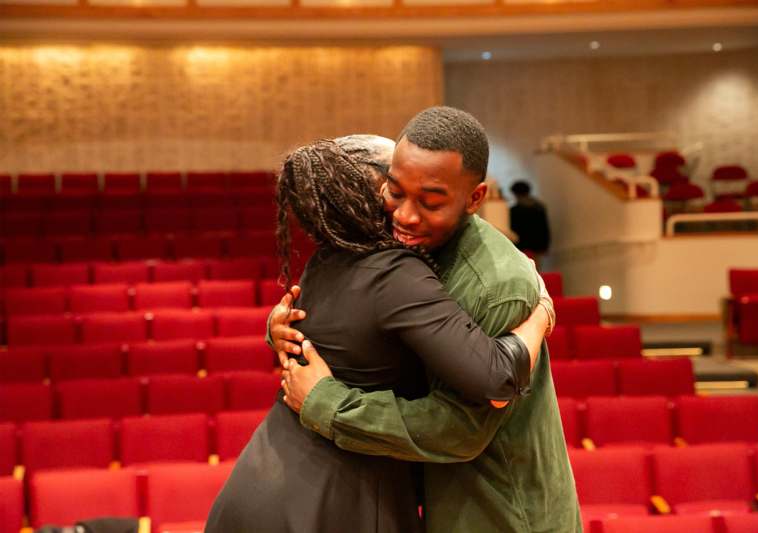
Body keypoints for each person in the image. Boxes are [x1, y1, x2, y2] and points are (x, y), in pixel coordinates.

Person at [205, 138, 549, 533]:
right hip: (334, 498)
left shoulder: (327, 258)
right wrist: (542, 311)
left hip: (263, 479)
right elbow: (497, 378)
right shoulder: (394, 272)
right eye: (397, 185)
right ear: (371, 193)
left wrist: (273, 330)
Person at [276, 107, 581, 533]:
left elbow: (461, 429)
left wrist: (326, 404)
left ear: (476, 199)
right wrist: (284, 332)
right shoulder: (405, 248)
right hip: (443, 504)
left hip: (501, 517)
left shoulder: (496, 285)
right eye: (395, 192)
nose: (404, 215)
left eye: (430, 202)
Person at [510, 180, 552, 256]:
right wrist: (545, 246)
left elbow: (513, 230)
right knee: (536, 267)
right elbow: (544, 228)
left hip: (522, 247)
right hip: (538, 246)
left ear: (516, 194)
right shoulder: (539, 207)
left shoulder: (514, 210)